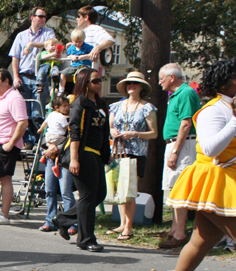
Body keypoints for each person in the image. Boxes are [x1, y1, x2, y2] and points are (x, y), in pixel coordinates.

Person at [159, 59, 236, 271]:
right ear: (226, 81)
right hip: (218, 183)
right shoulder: (214, 110)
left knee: (201, 241)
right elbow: (212, 148)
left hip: (226, 182)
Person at [51, 68, 110, 252]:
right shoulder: (80, 104)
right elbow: (75, 133)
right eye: (95, 81)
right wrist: (74, 159)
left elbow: (104, 131)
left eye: (100, 80)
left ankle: (62, 219)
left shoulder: (100, 104)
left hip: (97, 155)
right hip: (83, 154)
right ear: (84, 83)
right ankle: (86, 239)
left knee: (99, 194)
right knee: (87, 196)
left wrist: (106, 155)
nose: (99, 83)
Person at [107, 71, 158, 240]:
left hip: (136, 153)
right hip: (118, 151)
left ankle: (128, 227)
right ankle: (122, 223)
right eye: (129, 84)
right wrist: (113, 132)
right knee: (119, 190)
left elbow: (154, 133)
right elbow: (110, 127)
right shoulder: (116, 106)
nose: (131, 86)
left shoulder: (147, 108)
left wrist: (135, 134)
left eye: (135, 83)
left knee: (129, 190)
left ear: (141, 87)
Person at [157, 63, 201, 249]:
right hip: (175, 143)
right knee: (174, 188)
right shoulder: (177, 94)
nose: (160, 82)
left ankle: (180, 232)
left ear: (171, 77)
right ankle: (174, 229)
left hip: (182, 145)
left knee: (180, 187)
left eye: (161, 78)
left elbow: (186, 123)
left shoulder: (186, 93)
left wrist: (175, 151)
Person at [0, 68, 28, 224]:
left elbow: (23, 122)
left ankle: (4, 214)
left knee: (5, 179)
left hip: (5, 144)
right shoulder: (1, 99)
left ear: (6, 81)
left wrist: (10, 143)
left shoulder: (14, 97)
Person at [8, 7, 56, 125]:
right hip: (23, 77)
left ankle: (37, 140)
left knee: (37, 112)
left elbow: (52, 43)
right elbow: (15, 57)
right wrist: (16, 76)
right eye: (40, 16)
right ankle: (27, 141)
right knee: (23, 112)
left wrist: (31, 44)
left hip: (39, 78)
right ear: (32, 18)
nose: (43, 19)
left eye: (45, 17)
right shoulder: (21, 36)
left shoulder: (48, 32)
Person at [38, 95, 77, 233]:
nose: (67, 108)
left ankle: (71, 223)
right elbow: (45, 133)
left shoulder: (70, 118)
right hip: (51, 158)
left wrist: (57, 148)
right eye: (64, 105)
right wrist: (48, 145)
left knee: (66, 192)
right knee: (49, 190)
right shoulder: (53, 116)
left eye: (68, 105)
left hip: (65, 159)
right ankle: (50, 220)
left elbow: (72, 137)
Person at [59, 29, 94, 94]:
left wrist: (84, 57)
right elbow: (68, 56)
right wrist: (72, 57)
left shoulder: (88, 47)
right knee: (63, 73)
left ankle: (81, 91)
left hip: (84, 66)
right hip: (74, 66)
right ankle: (61, 91)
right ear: (72, 39)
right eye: (75, 41)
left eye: (80, 41)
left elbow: (91, 55)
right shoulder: (71, 48)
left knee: (80, 75)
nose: (77, 43)